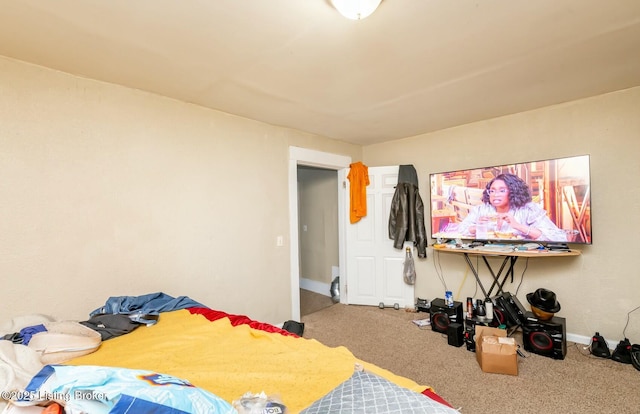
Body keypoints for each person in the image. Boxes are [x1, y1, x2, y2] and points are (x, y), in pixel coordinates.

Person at [457, 173, 567, 242]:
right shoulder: (482, 210)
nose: (495, 194)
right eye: (492, 191)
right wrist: (478, 226)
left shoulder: (528, 210)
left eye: (502, 190)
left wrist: (518, 226)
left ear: (513, 192)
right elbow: (461, 230)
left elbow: (558, 237)